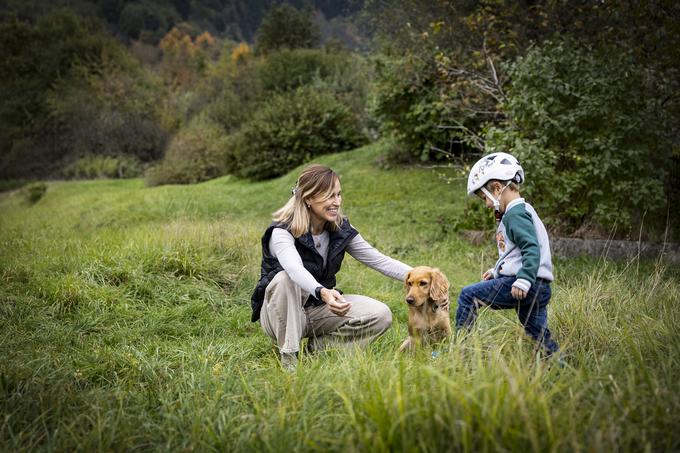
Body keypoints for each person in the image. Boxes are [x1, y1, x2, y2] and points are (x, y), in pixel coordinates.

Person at [250, 164, 413, 370]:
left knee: (381, 315)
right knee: (285, 279)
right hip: (280, 315)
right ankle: (289, 360)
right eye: (329, 196)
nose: (337, 202)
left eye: (338, 195)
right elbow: (294, 268)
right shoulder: (282, 231)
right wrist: (322, 292)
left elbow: (378, 260)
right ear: (308, 198)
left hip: (317, 311)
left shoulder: (341, 229)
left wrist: (423, 276)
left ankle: (317, 351)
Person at [456, 152, 559, 355]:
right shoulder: (521, 211)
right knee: (539, 337)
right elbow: (515, 254)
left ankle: (461, 353)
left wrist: (523, 280)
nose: (486, 204)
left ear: (496, 187)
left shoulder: (515, 214)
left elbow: (531, 248)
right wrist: (497, 271)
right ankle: (559, 365)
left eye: (484, 197)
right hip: (539, 286)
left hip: (526, 283)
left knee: (468, 296)